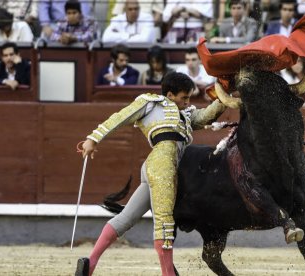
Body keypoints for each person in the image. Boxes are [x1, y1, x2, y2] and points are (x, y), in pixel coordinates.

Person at [74, 72, 226, 276]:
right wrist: (93, 139)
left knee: (126, 217)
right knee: (164, 221)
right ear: (170, 95)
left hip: (158, 166)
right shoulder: (150, 103)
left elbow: (206, 115)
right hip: (163, 163)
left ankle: (90, 263)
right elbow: (120, 117)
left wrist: (226, 95)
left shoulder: (186, 115)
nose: (187, 102)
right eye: (184, 97)